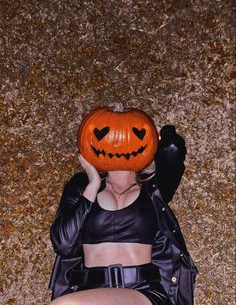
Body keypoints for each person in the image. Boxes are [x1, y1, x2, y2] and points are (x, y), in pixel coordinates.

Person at [48, 123, 198, 305]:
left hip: (141, 290)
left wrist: (157, 133)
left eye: (132, 137)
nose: (120, 146)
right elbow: (63, 243)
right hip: (89, 290)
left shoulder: (152, 187)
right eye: (110, 139)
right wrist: (92, 185)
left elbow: (173, 148)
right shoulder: (81, 186)